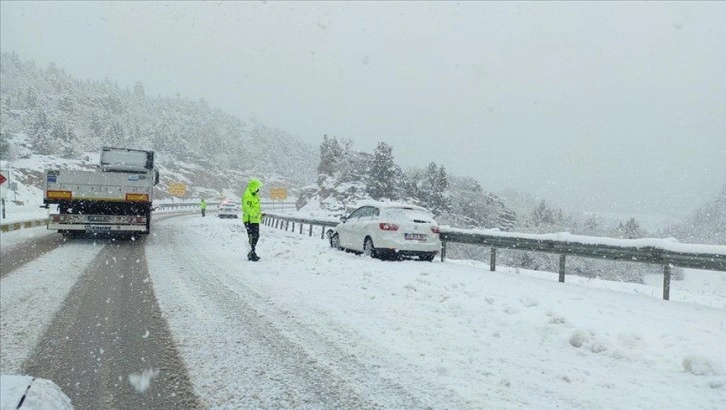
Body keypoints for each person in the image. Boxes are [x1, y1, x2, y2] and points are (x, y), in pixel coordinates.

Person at [242, 178, 263, 261]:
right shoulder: (248, 195)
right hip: (249, 220)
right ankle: (251, 253)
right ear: (254, 186)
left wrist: (259, 215)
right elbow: (247, 208)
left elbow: (256, 207)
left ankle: (252, 252)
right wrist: (255, 214)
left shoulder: (254, 194)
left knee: (256, 236)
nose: (259, 189)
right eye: (258, 187)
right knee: (252, 237)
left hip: (255, 220)